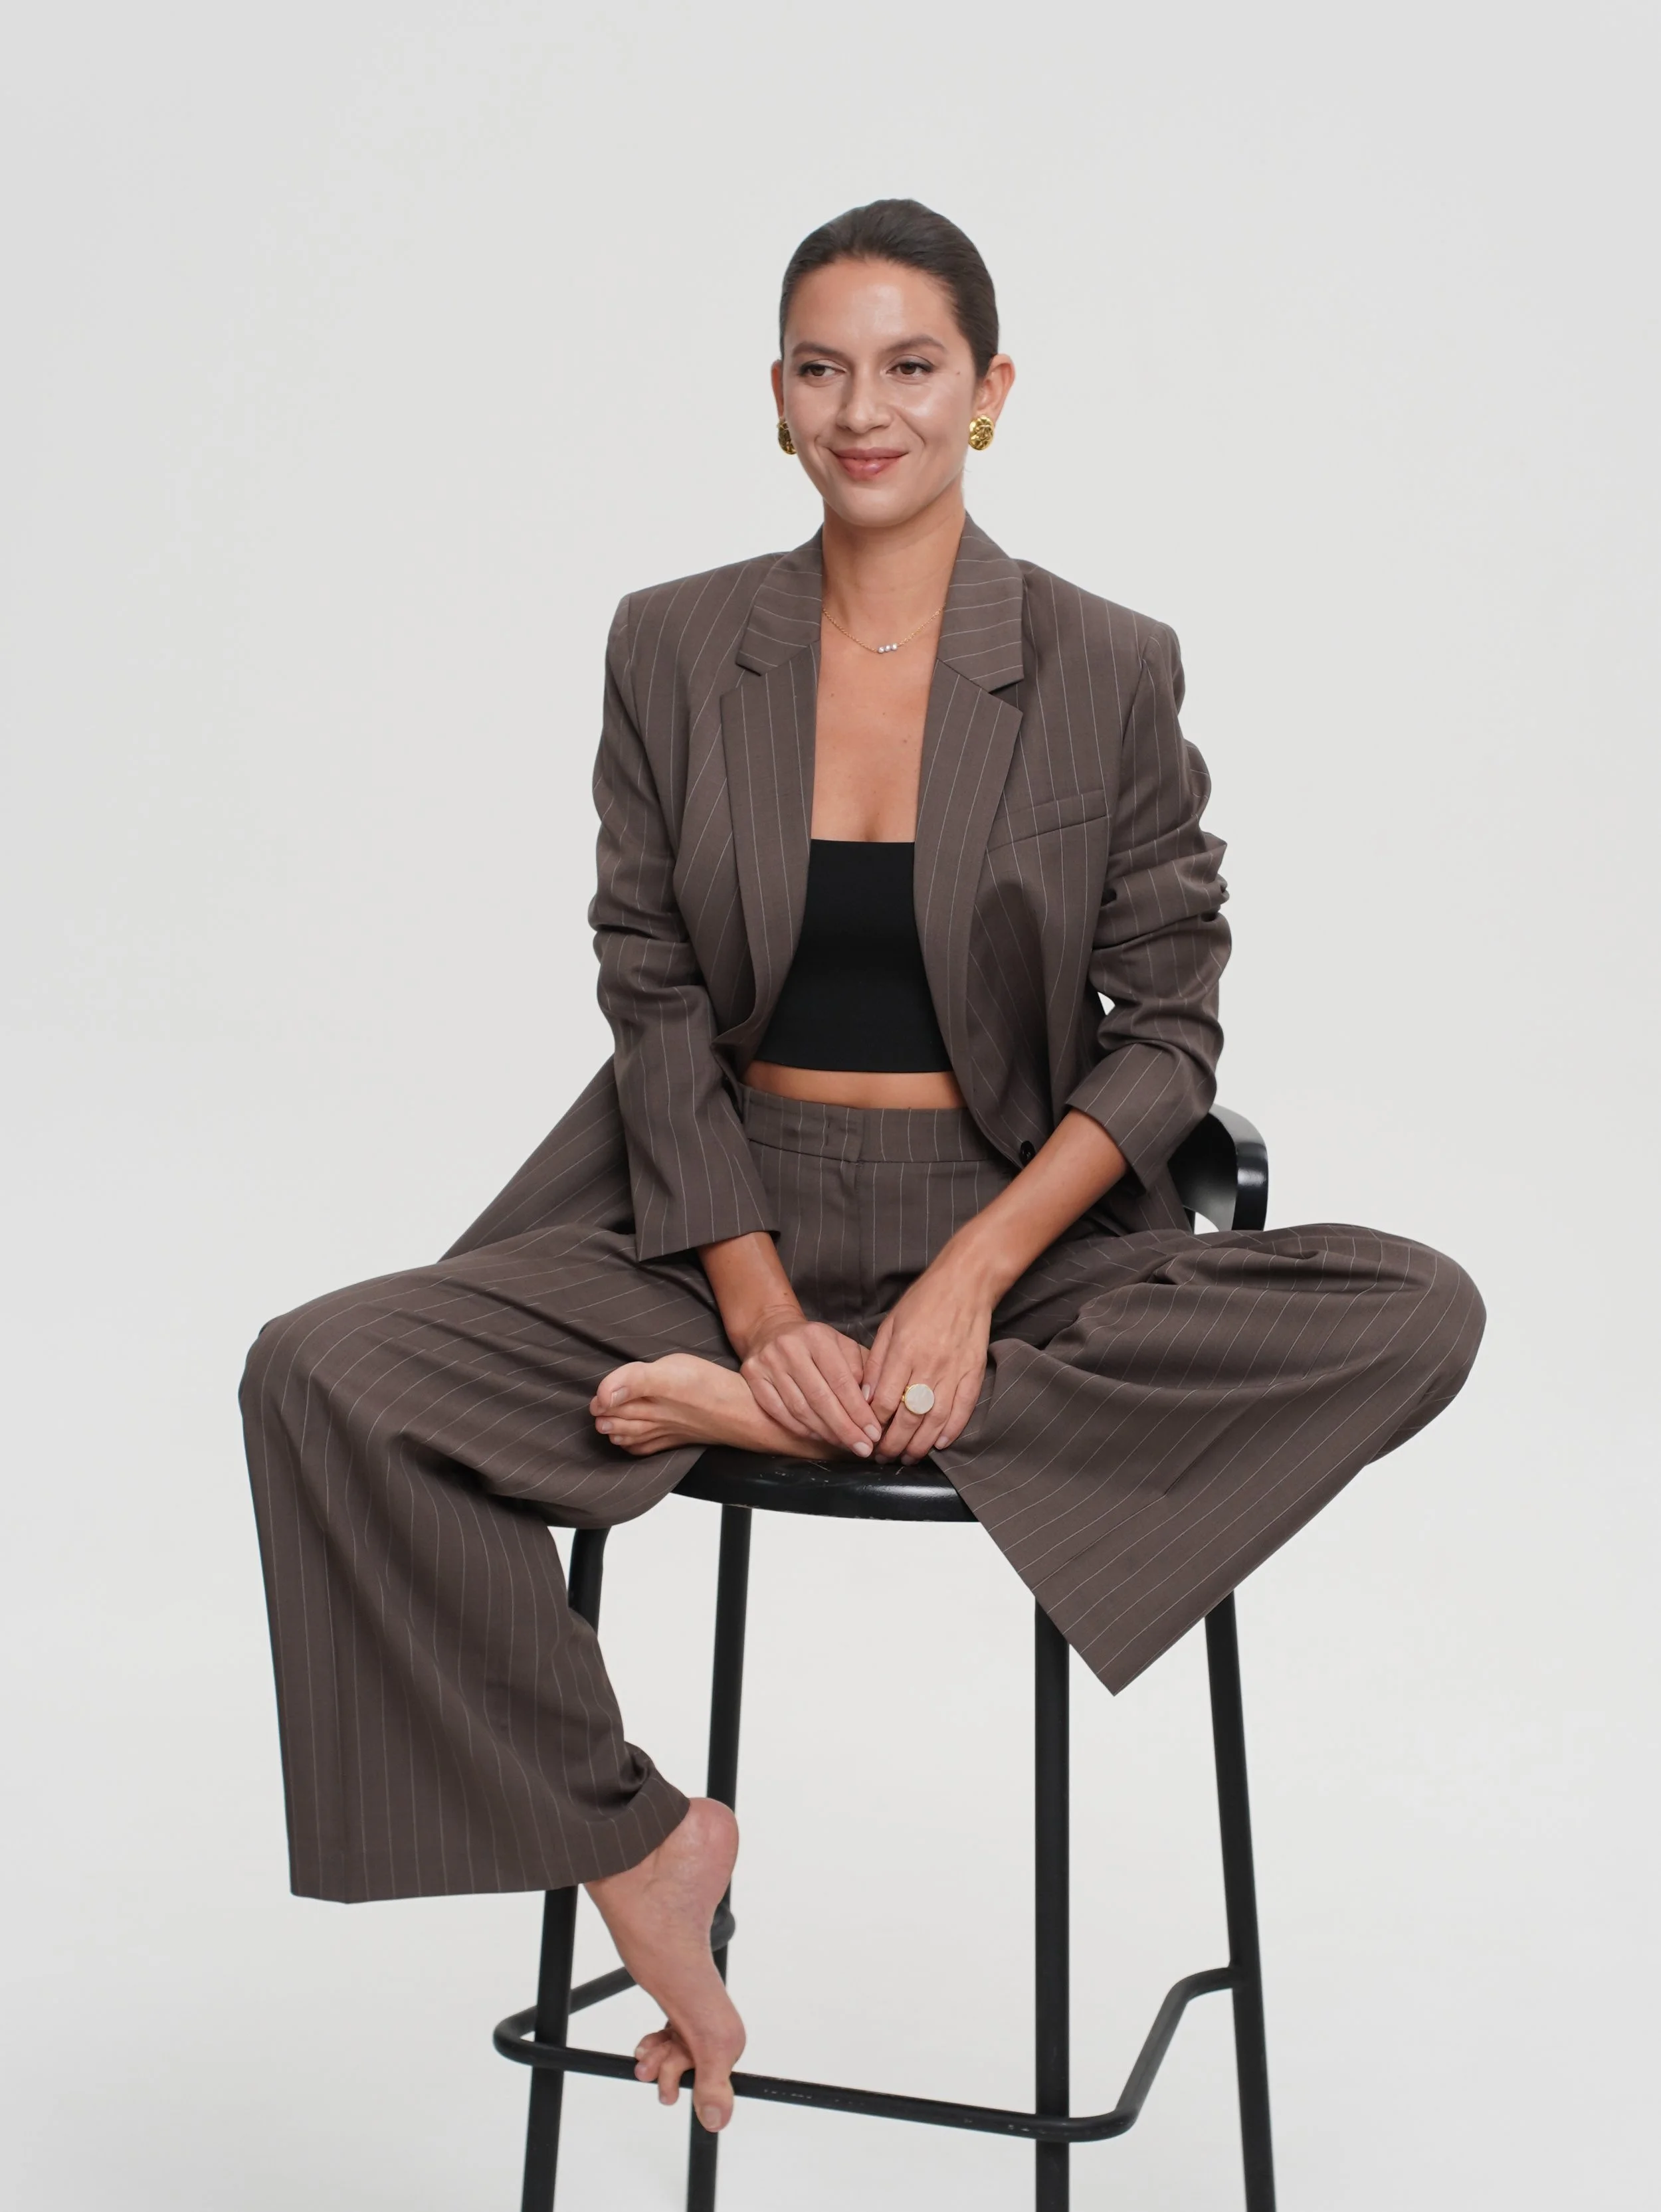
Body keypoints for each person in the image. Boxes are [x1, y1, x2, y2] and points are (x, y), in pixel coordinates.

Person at [241, 199, 1484, 2138]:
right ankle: (634, 1837)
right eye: (821, 367)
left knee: (1416, 1306)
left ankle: (824, 1415)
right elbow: (652, 1000)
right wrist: (746, 1291)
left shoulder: (1099, 661)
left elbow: (1167, 1029)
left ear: (986, 396)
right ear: (774, 400)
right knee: (320, 1371)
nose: (863, 408)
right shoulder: (672, 646)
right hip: (703, 1223)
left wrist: (976, 1277)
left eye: (909, 367)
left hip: (1001, 1222)